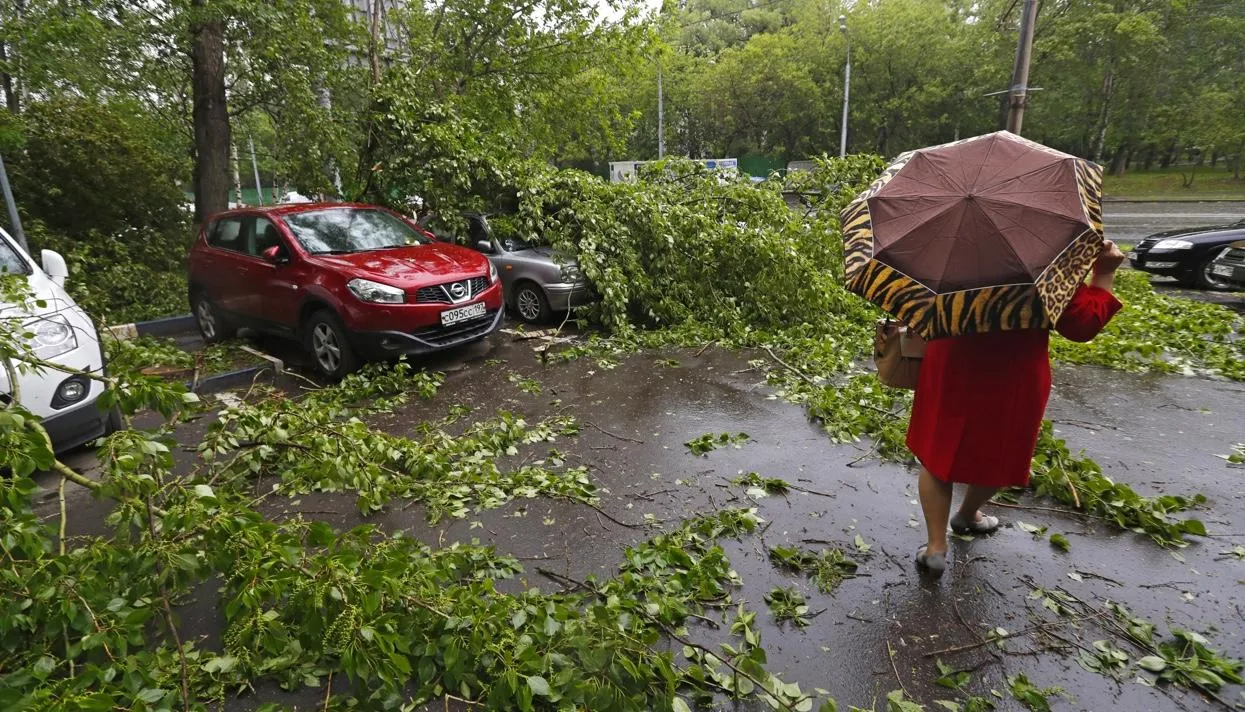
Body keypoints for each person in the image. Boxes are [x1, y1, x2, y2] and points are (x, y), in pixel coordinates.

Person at [907, 240, 1127, 574]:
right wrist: (1104, 273)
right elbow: (1080, 325)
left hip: (952, 363)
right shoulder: (1043, 252)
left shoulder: (948, 246)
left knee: (938, 454)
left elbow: (911, 304)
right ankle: (967, 516)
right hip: (1014, 373)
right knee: (1002, 452)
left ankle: (936, 547)